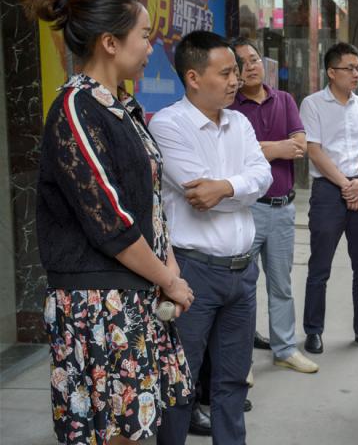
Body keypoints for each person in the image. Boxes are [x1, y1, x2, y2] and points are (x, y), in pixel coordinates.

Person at [25, 0, 193, 445]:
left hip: (133, 293)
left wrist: (169, 268)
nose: (150, 48)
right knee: (116, 433)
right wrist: (169, 279)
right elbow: (110, 222)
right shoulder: (75, 109)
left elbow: (148, 202)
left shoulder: (121, 107)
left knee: (134, 429)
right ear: (110, 42)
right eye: (144, 35)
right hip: (98, 302)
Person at [151, 31, 271, 445]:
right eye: (225, 73)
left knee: (233, 381)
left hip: (243, 272)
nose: (236, 80)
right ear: (193, 78)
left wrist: (225, 187)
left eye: (236, 71)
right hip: (193, 274)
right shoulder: (168, 125)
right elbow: (198, 194)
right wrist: (236, 187)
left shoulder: (240, 122)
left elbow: (264, 178)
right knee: (180, 382)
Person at [228, 37, 319, 374]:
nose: (250, 67)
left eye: (253, 59)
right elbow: (234, 154)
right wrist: (277, 148)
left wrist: (262, 148)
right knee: (242, 286)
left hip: (283, 209)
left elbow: (300, 145)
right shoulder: (230, 108)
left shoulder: (284, 99)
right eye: (241, 63)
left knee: (282, 284)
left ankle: (284, 348)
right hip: (246, 210)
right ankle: (241, 360)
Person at [301, 42, 358, 355]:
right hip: (327, 191)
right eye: (350, 68)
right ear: (331, 72)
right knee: (319, 267)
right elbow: (314, 150)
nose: (356, 74)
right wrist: (345, 185)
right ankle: (313, 331)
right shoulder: (312, 104)